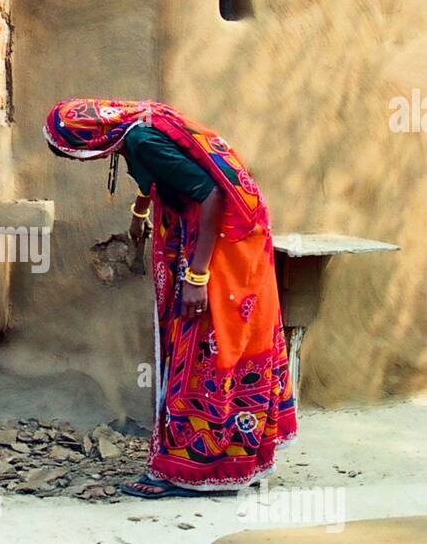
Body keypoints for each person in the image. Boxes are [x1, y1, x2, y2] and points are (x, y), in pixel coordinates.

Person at [43, 98, 297, 498]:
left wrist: (197, 275)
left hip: (221, 249)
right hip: (213, 240)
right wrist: (140, 213)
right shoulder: (132, 128)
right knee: (200, 345)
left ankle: (195, 471)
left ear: (91, 140)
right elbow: (162, 176)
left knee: (206, 348)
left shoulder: (142, 140)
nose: (77, 162)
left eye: (74, 155)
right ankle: (235, 458)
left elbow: (211, 194)